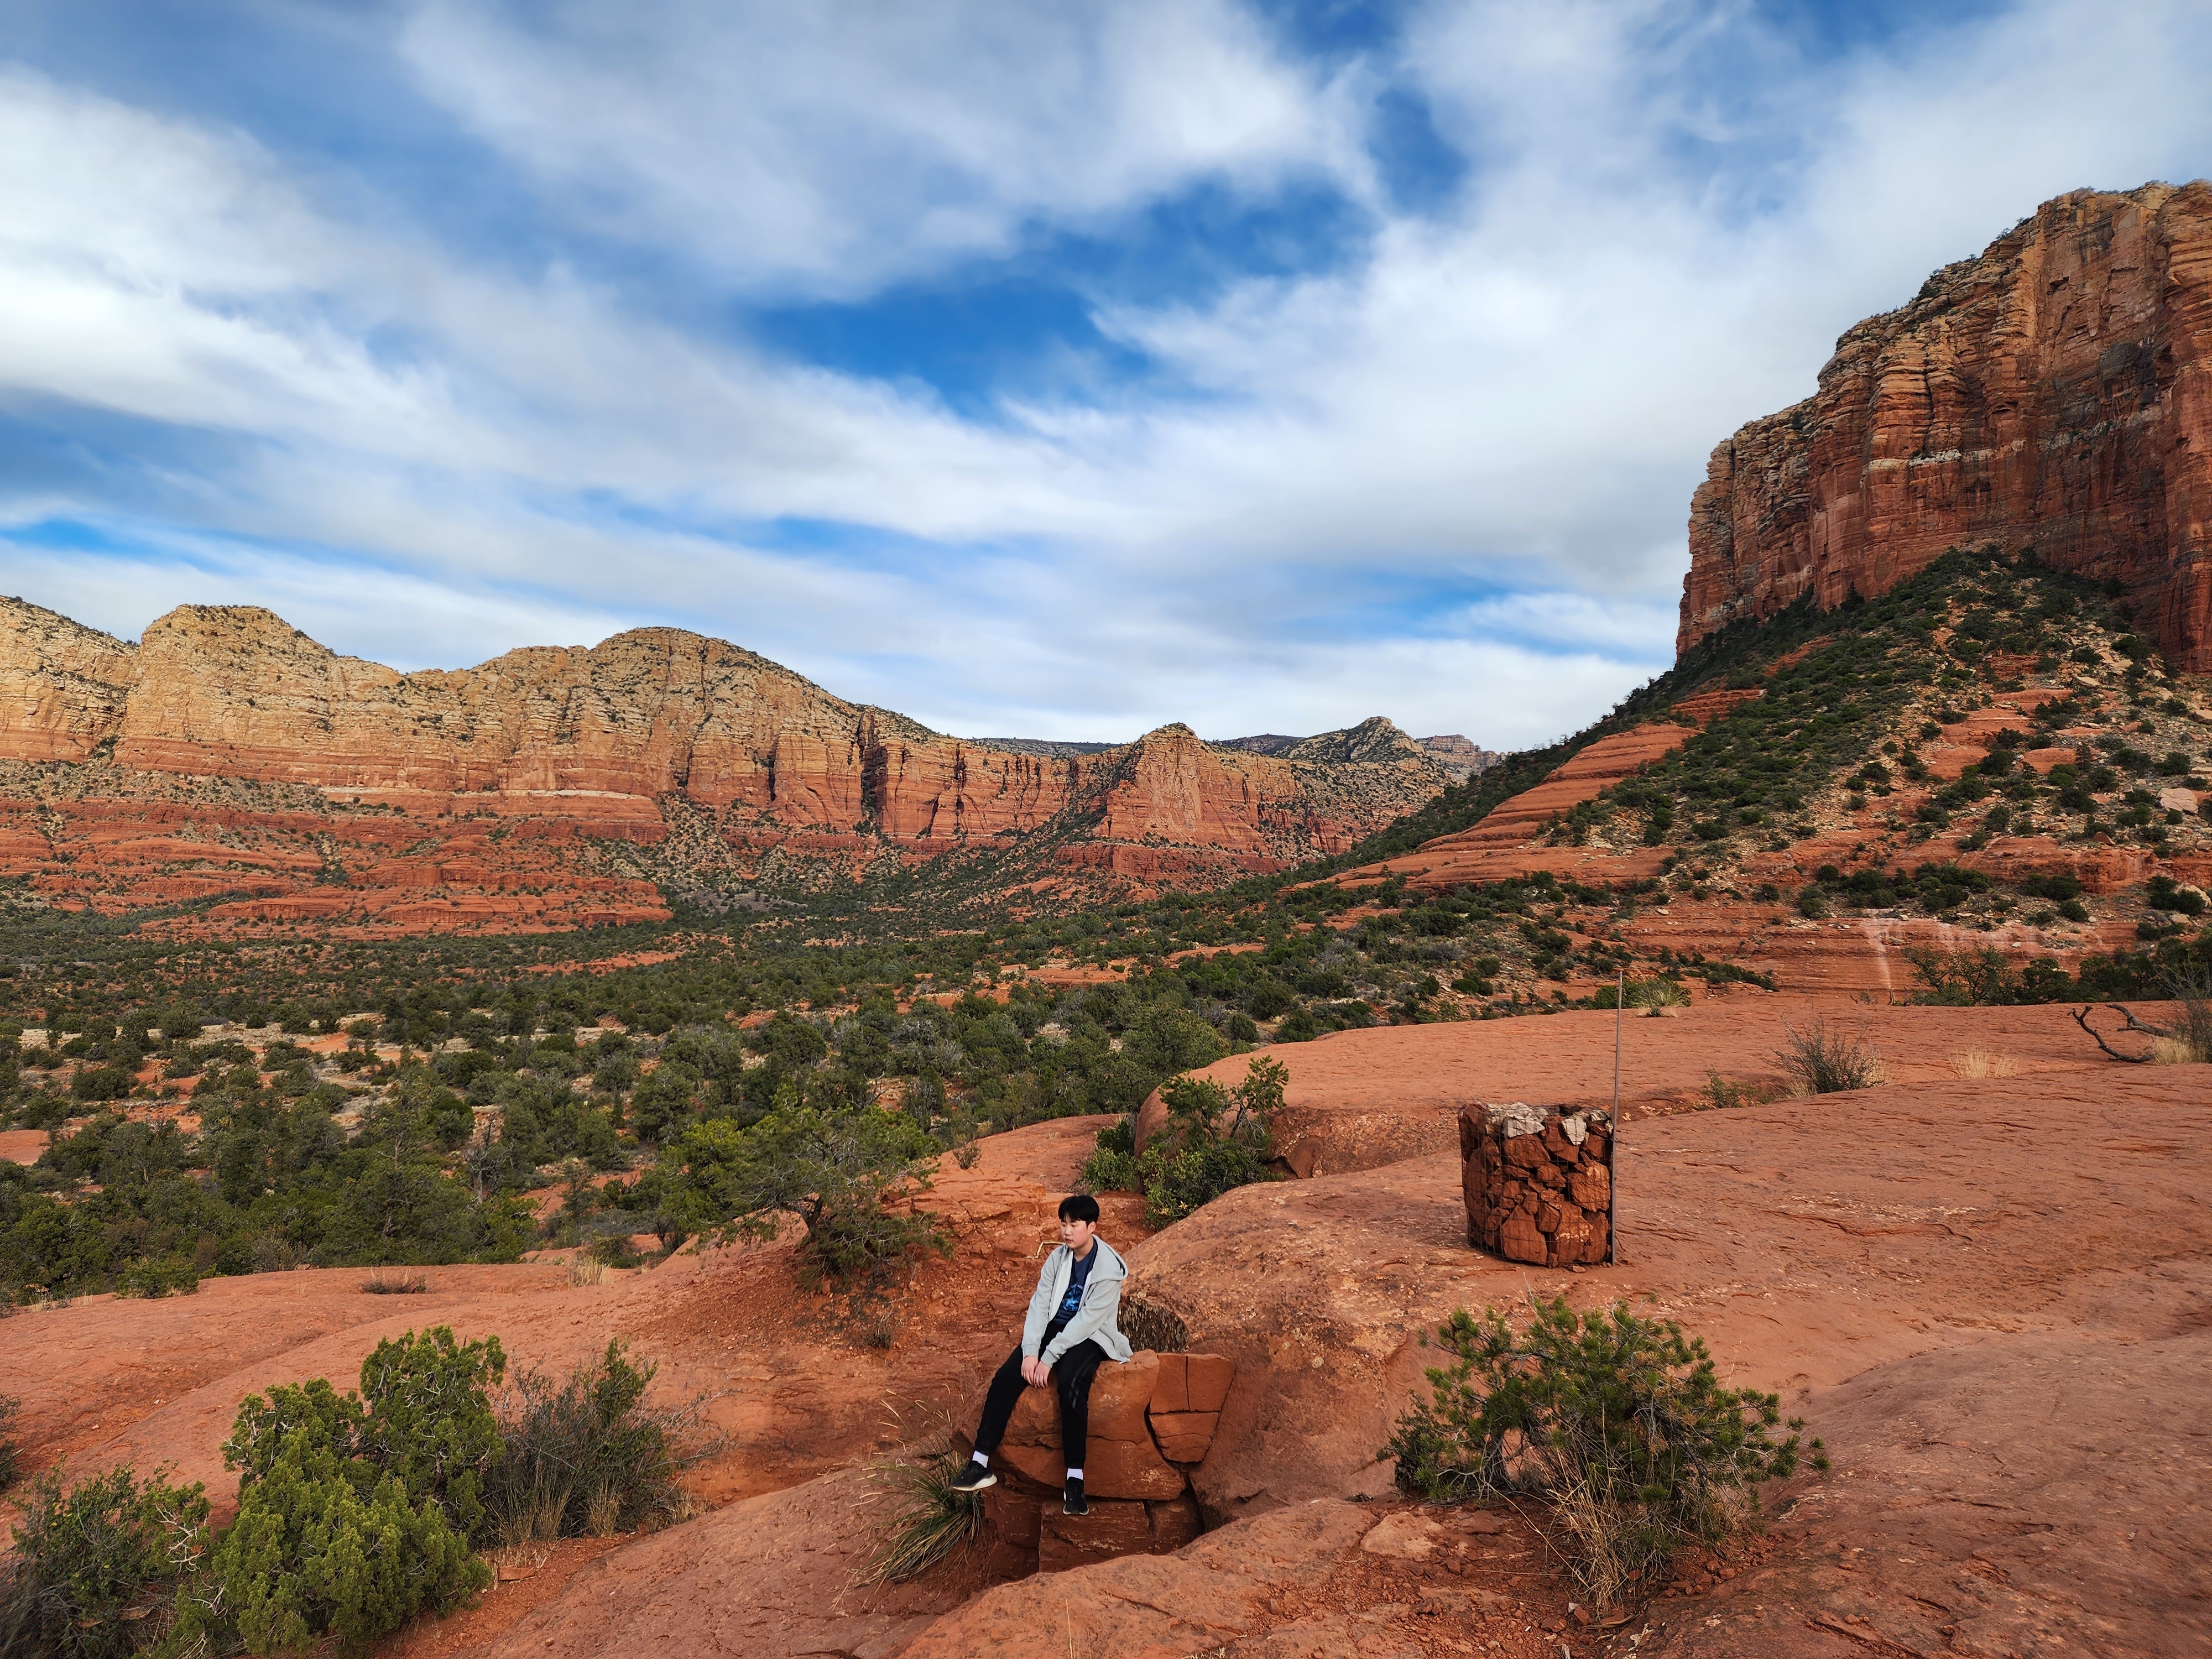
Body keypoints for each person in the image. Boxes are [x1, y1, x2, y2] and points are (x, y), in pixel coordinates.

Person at [950, 1193, 1130, 1516]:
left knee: (1072, 1384)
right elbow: (1038, 1307)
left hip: (1091, 1336)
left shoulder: (1108, 1271)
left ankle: (1075, 1479)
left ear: (1092, 1226)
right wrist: (1031, 1352)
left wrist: (1049, 1358)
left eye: (1074, 1224)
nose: (1067, 1231)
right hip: (1054, 1327)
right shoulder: (1057, 1259)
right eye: (1064, 1224)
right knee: (1007, 1376)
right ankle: (980, 1463)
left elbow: (1087, 1322)